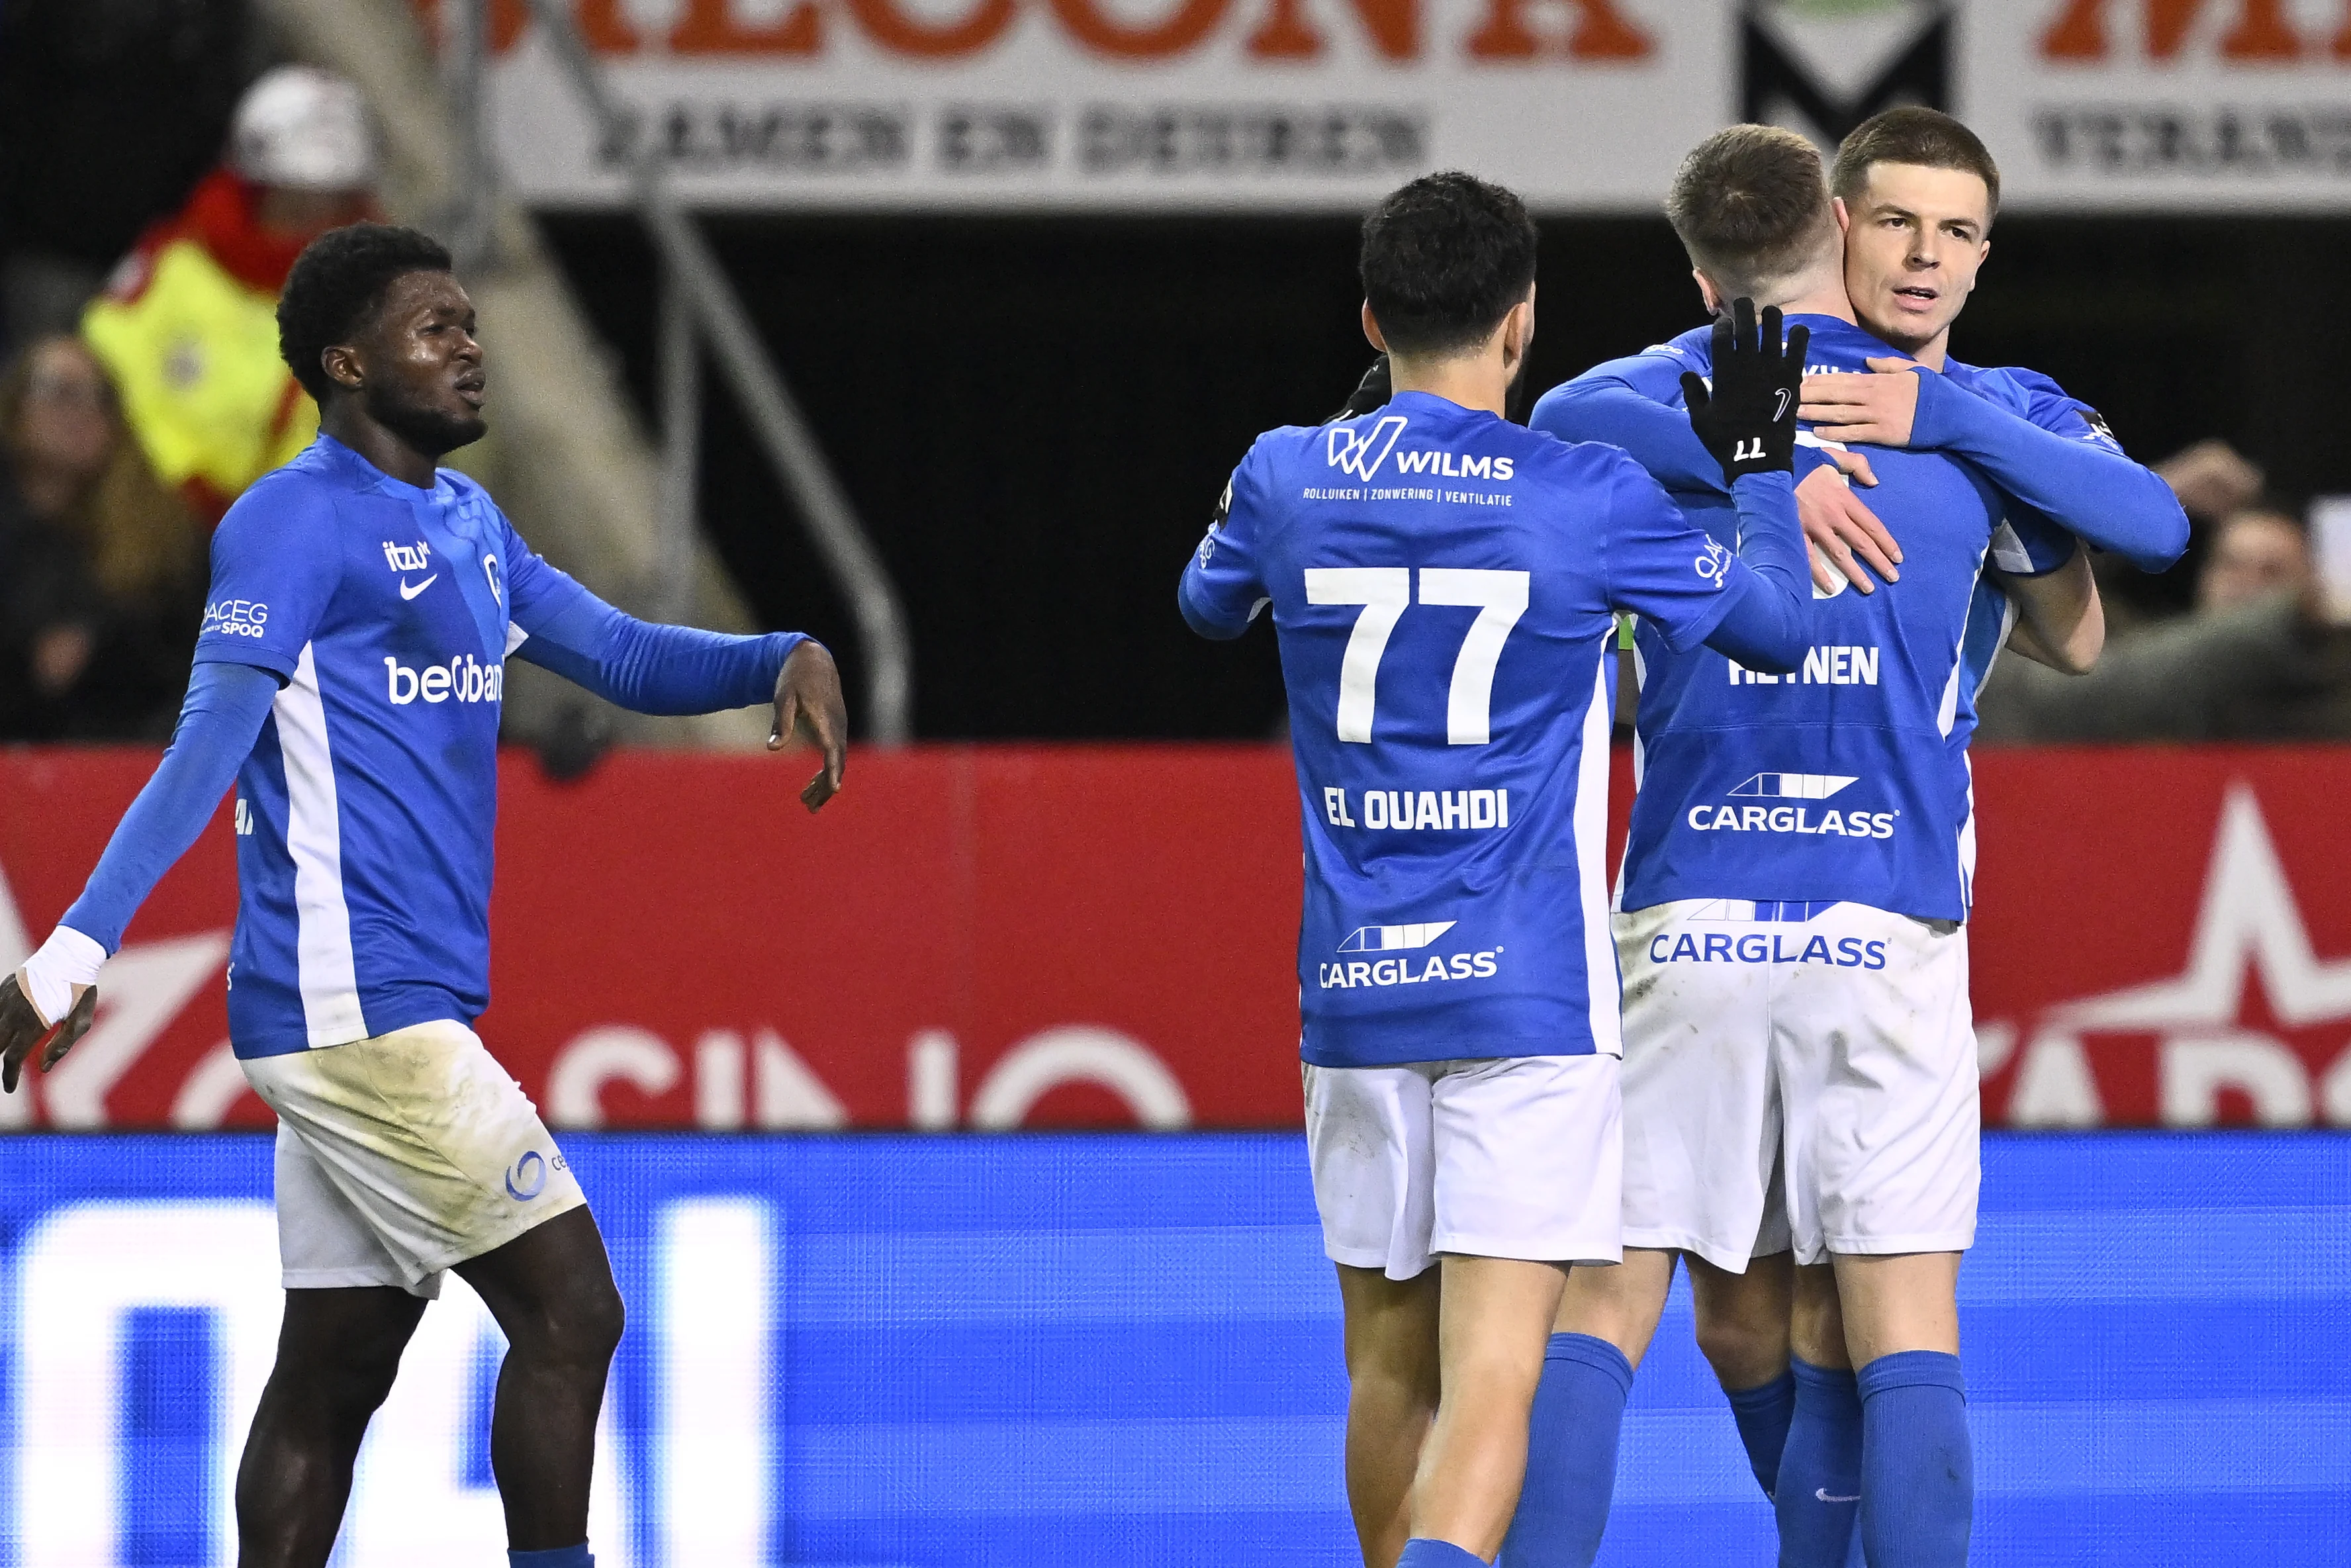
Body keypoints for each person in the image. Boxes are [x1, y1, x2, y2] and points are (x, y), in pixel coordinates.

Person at [0, 223, 847, 1568]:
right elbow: (206, 746)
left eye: (470, 322)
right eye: (432, 327)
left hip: (378, 997)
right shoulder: (289, 521)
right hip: (355, 1000)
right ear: (345, 363)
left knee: (337, 1365)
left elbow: (618, 652)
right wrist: (70, 952)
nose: (468, 346)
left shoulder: (467, 522)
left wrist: (778, 653)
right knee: (574, 1311)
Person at [1502, 113, 2187, 1568]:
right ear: (1837, 228)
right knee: (1783, 1310)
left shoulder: (1989, 413)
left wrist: (1943, 424)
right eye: (1898, 226)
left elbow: (2121, 564)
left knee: (1729, 1301)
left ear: (1989, 252)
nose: (1928, 257)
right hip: (1849, 918)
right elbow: (2118, 577)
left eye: (1960, 233)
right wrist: (1771, 449)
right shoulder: (1718, 391)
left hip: (1723, 916)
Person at [1180, 170, 1816, 1568]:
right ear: (1523, 321)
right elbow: (1771, 627)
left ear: (1371, 315)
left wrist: (1345, 459)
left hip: (1353, 991)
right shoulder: (1585, 491)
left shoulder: (1287, 469)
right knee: (1496, 1378)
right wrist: (1760, 464)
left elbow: (1204, 600)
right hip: (1522, 995)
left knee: (1386, 1368)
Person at [83, 65, 378, 524]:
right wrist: (165, 470)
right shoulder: (180, 254)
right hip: (116, 471)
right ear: (254, 189)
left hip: (235, 532)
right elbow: (105, 349)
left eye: (330, 200)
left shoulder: (364, 321)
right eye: (291, 194)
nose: (308, 217)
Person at [1980, 500, 2351, 742]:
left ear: (2313, 592)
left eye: (2272, 572)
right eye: (2231, 565)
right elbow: (2079, 691)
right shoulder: (2149, 658)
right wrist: (2148, 503)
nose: (2246, 586)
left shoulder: (2329, 698)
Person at [0, 334, 204, 739]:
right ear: (14, 409)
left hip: (121, 764)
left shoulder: (162, 539)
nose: (85, 411)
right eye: (60, 390)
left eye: (102, 395)